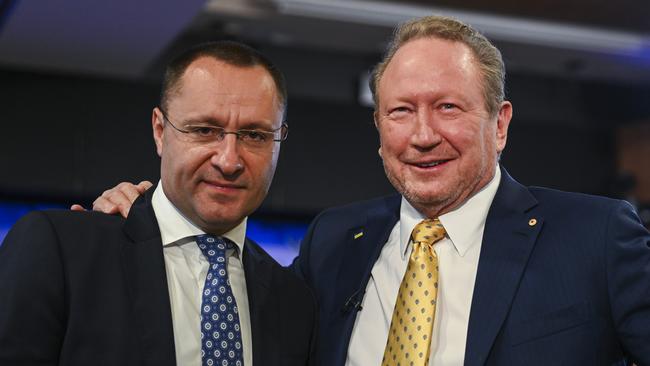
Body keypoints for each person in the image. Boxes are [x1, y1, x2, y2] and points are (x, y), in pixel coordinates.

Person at [83, 16, 650, 366]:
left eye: (448, 107)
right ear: (379, 128)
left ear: (499, 124)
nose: (423, 135)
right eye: (401, 111)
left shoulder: (596, 236)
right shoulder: (334, 241)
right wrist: (147, 215)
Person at [0, 41, 317, 366]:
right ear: (159, 130)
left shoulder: (293, 302)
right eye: (205, 130)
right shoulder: (63, 252)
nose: (229, 160)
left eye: (254, 135)